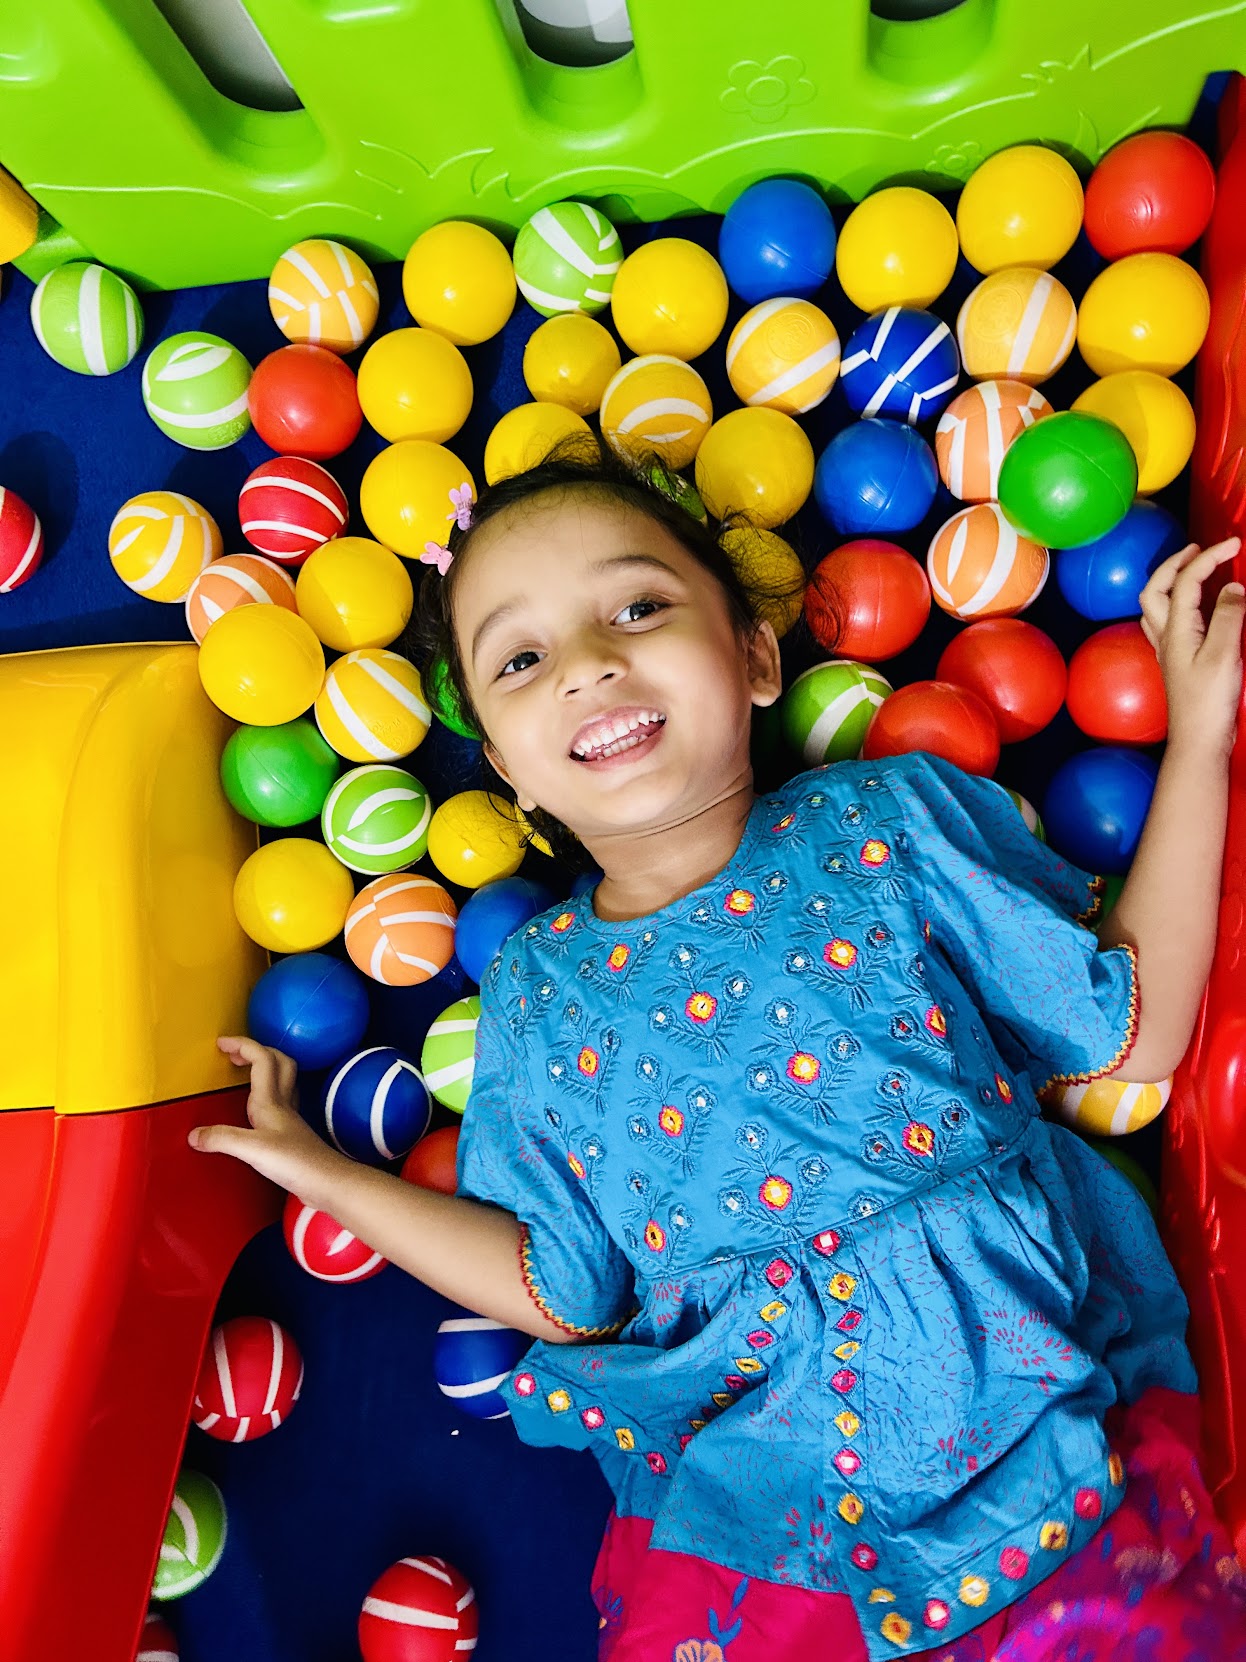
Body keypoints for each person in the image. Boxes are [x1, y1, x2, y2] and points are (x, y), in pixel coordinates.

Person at [192, 451, 1246, 1659]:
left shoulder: (884, 819)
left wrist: (1200, 734)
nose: (590, 663)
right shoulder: (537, 990)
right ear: (504, 765)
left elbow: (1127, 1021)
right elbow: (560, 1287)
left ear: (752, 654)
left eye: (638, 607)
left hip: (1015, 1394)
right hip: (766, 1481)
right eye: (521, 660)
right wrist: (322, 1174)